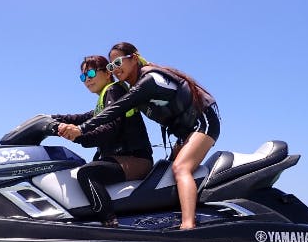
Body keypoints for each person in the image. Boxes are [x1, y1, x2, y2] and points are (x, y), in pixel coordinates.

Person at [59, 42, 221, 230]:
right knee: (165, 176)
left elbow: (116, 109)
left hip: (203, 121)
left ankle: (188, 226)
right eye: (111, 66)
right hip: (184, 133)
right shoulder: (132, 86)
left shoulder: (149, 81)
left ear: (134, 58)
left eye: (118, 62)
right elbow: (94, 113)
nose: (115, 69)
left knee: (180, 169)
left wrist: (81, 130)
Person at [51, 55, 152, 227]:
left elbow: (109, 130)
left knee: (86, 173)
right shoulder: (104, 99)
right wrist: (51, 119)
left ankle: (109, 222)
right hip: (121, 160)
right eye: (83, 77)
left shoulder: (115, 90)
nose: (87, 79)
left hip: (135, 160)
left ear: (107, 73)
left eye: (90, 73)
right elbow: (82, 117)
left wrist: (79, 136)